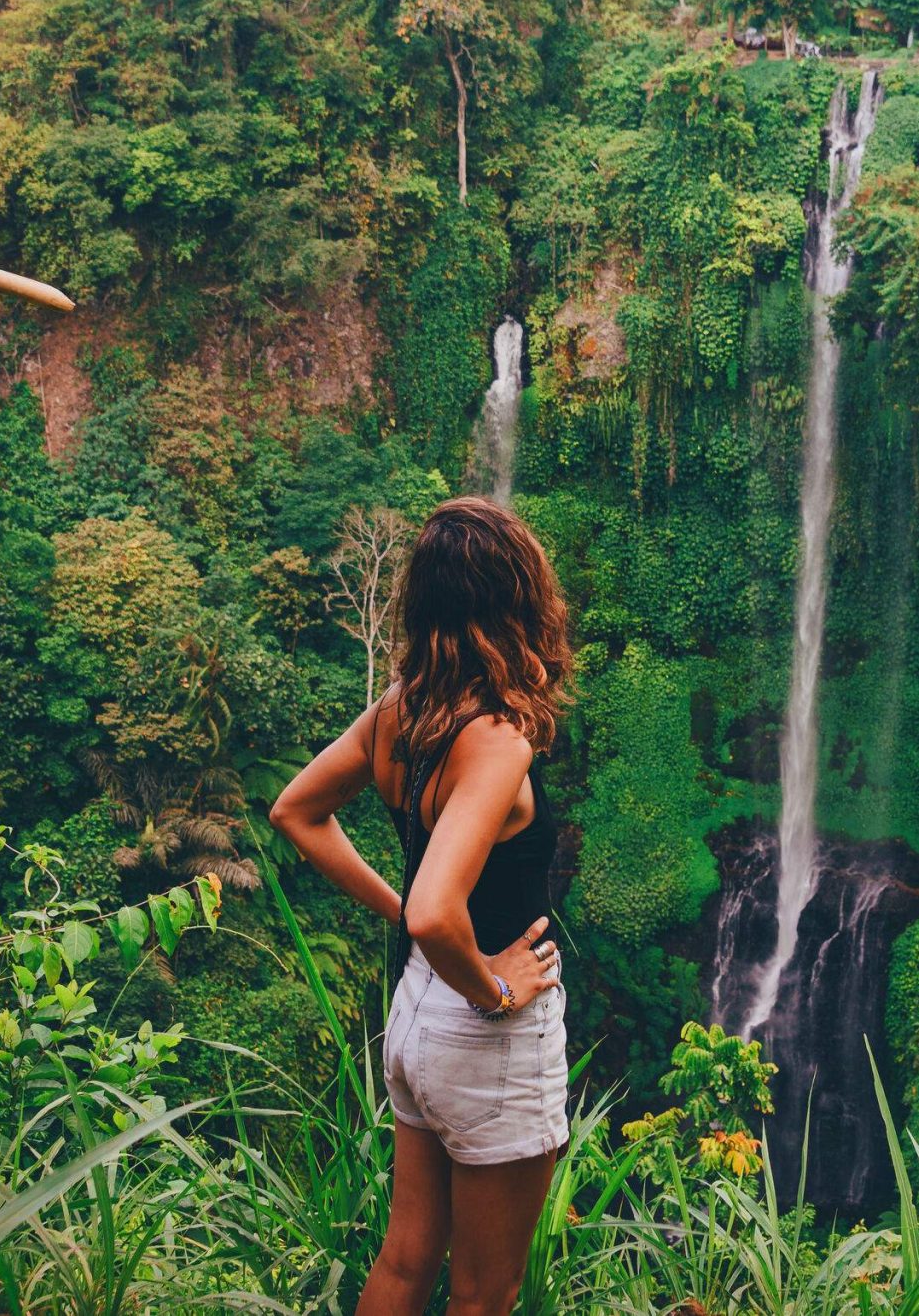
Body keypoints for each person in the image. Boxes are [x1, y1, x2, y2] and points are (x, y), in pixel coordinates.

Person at [269, 497, 573, 1316]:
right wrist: (496, 987)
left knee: (405, 1264)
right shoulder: (501, 738)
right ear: (518, 600)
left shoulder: (399, 710)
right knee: (482, 1293)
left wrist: (399, 911)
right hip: (486, 1040)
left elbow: (295, 812)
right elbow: (441, 911)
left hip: (413, 1020)